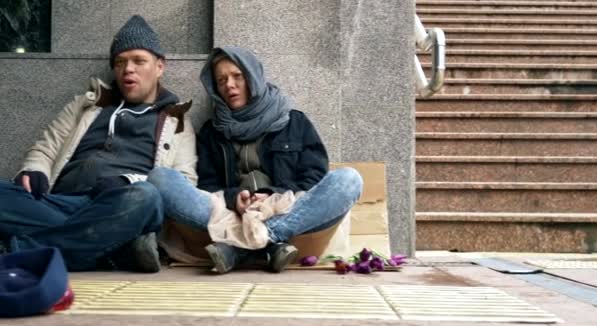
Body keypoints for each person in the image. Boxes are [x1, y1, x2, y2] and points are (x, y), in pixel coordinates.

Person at [0, 15, 197, 273]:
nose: (128, 69)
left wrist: (129, 180)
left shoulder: (176, 120)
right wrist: (34, 170)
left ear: (159, 67)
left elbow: (183, 185)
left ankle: (19, 252)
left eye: (139, 61)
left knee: (147, 198)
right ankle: (110, 249)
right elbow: (46, 148)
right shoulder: (86, 105)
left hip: (120, 205)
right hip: (60, 203)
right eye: (120, 62)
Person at [148, 47, 362, 274]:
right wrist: (234, 199)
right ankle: (268, 245)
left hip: (286, 209)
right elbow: (207, 186)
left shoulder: (294, 122)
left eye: (237, 76)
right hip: (230, 215)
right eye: (221, 80)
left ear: (253, 77)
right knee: (160, 178)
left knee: (349, 180)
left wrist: (272, 195)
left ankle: (247, 244)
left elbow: (314, 179)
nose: (229, 85)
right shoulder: (212, 132)